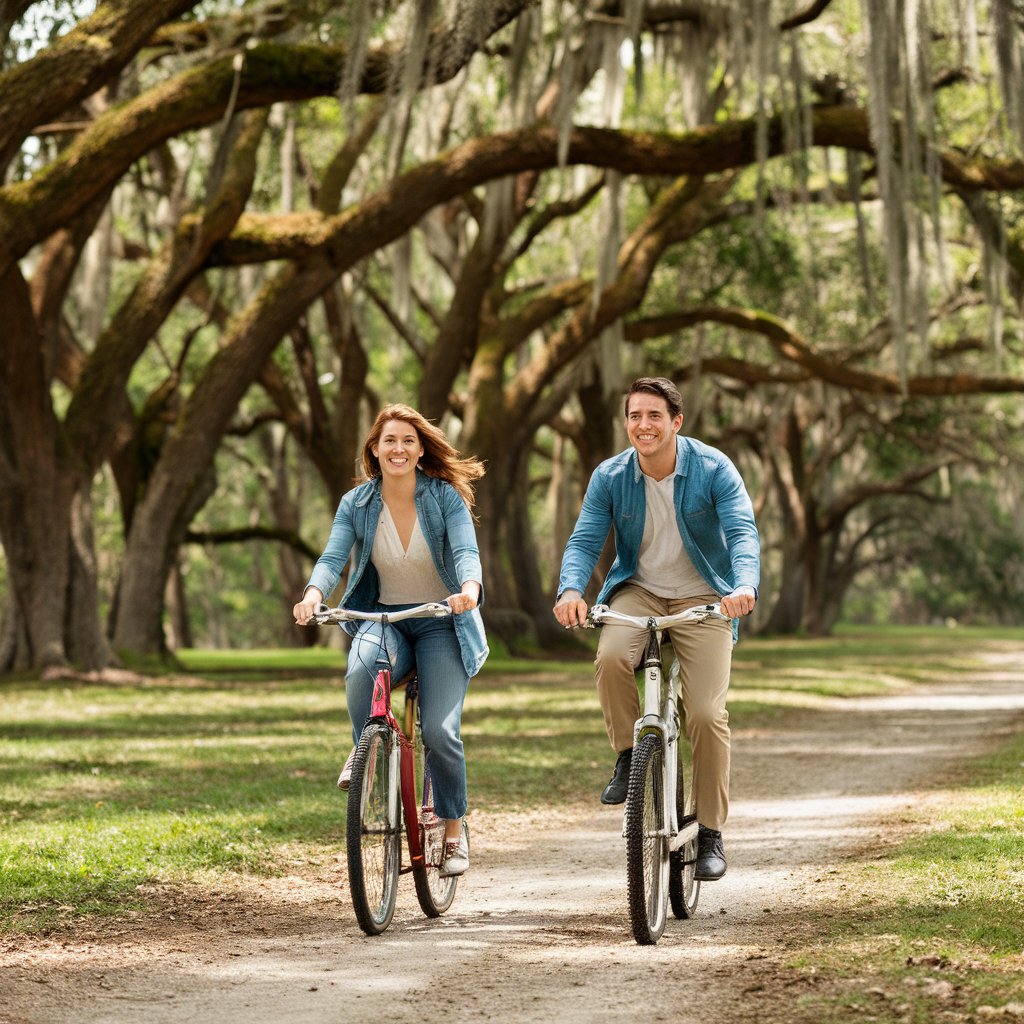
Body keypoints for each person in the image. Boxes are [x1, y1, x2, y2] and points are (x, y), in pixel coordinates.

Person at [553, 377, 759, 881]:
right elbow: (584, 542)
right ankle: (629, 754)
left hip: (705, 598)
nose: (643, 425)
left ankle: (710, 831)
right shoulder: (610, 476)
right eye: (634, 416)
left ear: (676, 422)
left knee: (707, 715)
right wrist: (571, 590)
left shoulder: (713, 468)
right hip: (638, 590)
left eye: (654, 416)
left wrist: (744, 585)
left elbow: (741, 533)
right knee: (610, 657)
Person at [293, 404, 487, 878]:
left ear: (420, 451)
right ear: (374, 452)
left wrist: (469, 590)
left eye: (407, 441)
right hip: (383, 618)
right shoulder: (356, 504)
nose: (398, 449)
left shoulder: (444, 498)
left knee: (440, 732)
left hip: (441, 619)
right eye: (389, 442)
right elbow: (333, 556)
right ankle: (367, 748)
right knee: (361, 668)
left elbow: (465, 551)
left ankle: (454, 831)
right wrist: (313, 594)